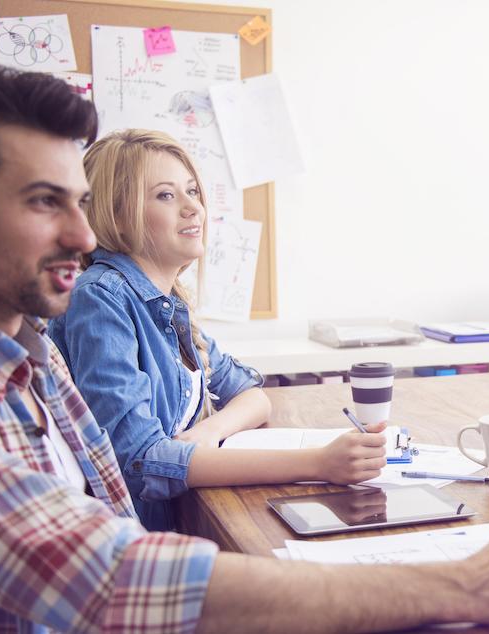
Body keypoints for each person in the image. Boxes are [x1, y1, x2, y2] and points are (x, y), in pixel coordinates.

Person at [0, 58, 489, 632]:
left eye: (78, 202)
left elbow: (128, 506)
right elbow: (112, 579)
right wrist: (462, 583)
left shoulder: (29, 354)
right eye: (44, 202)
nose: (84, 237)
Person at [46, 129, 386, 531]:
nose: (194, 208)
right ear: (116, 215)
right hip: (134, 543)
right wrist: (317, 463)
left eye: (192, 191)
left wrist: (209, 431)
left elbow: (252, 395)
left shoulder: (167, 303)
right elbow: (140, 461)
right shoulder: (101, 298)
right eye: (166, 195)